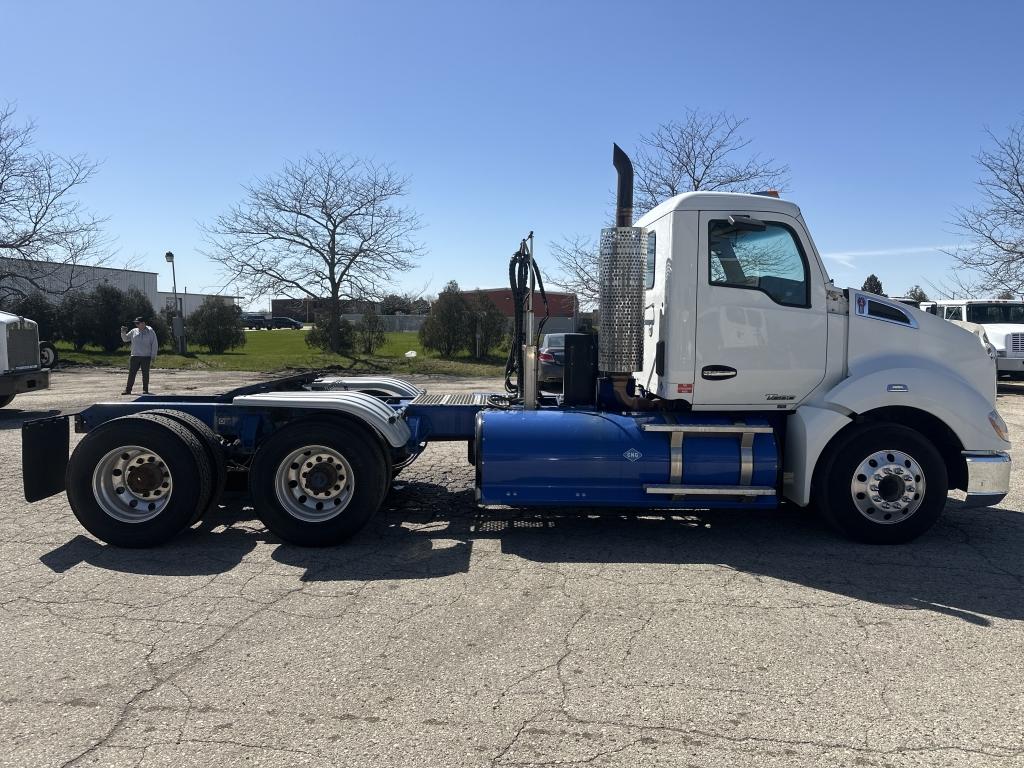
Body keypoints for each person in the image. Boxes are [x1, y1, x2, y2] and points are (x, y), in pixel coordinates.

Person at [120, 317, 159, 394]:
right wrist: (123, 332)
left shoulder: (151, 332)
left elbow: (154, 344)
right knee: (131, 374)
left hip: (146, 356)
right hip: (134, 356)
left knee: (145, 374)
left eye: (138, 323)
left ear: (143, 323)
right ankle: (128, 390)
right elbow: (125, 339)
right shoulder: (134, 331)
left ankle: (145, 390)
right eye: (136, 323)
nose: (136, 324)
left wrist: (153, 355)